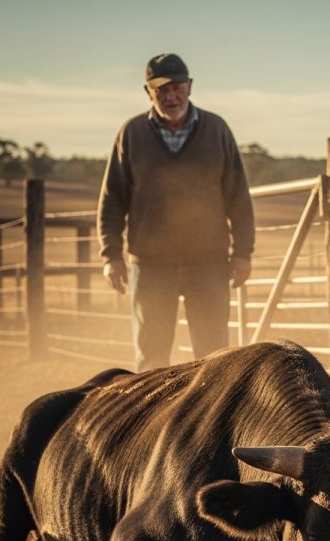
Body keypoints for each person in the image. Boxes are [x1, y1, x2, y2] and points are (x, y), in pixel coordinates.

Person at [97, 53, 255, 371]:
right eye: (162, 90)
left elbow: (238, 196)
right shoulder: (131, 134)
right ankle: (154, 407)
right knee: (151, 359)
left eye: (177, 88)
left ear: (189, 86)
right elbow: (112, 199)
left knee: (215, 357)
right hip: (150, 265)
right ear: (149, 92)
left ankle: (212, 407)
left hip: (208, 262)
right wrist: (110, 255)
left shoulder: (217, 130)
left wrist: (242, 252)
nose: (171, 96)